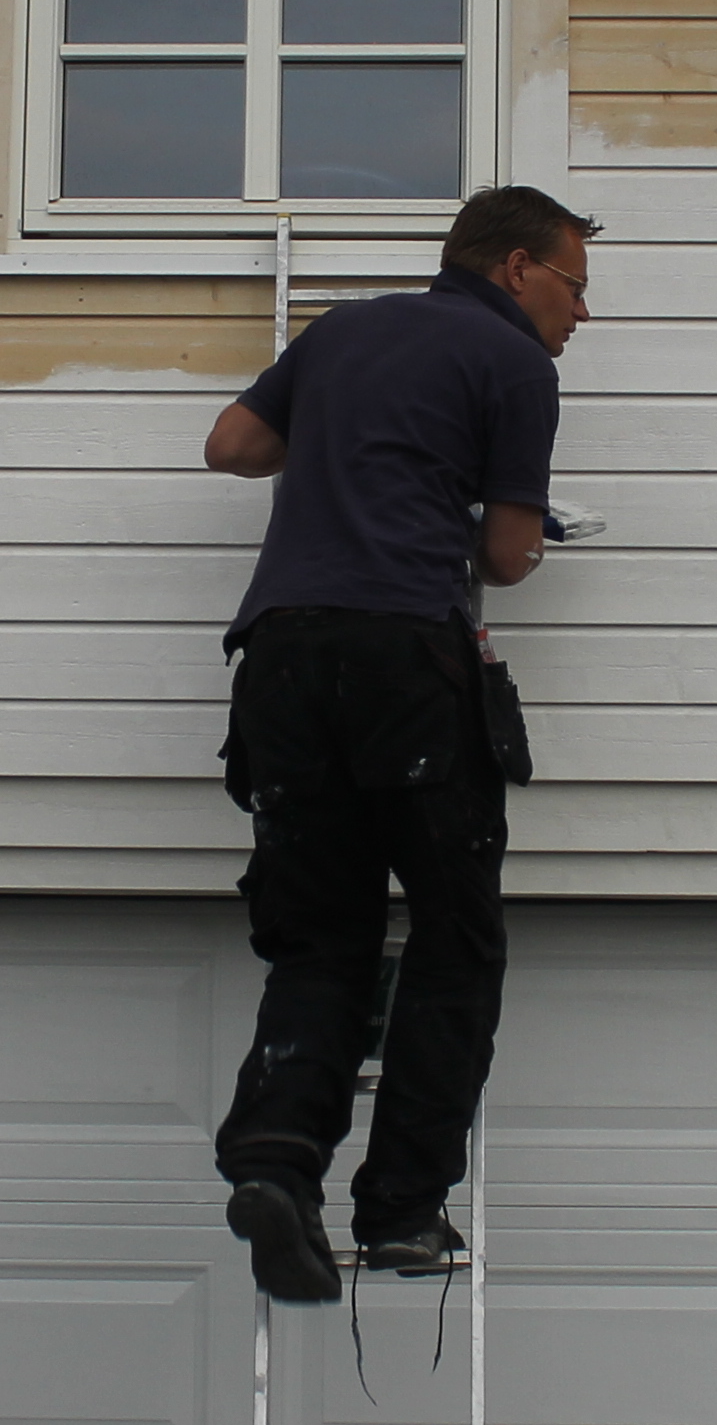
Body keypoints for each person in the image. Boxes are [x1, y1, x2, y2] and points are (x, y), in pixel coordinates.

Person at [196, 184, 599, 1302]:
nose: (582, 313)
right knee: (454, 943)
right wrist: (486, 512)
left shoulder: (347, 331)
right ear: (515, 268)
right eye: (575, 286)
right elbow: (508, 559)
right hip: (406, 663)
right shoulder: (518, 367)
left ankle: (276, 1165)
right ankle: (404, 1212)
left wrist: (352, 457)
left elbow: (231, 446)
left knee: (322, 938)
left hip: (280, 662)